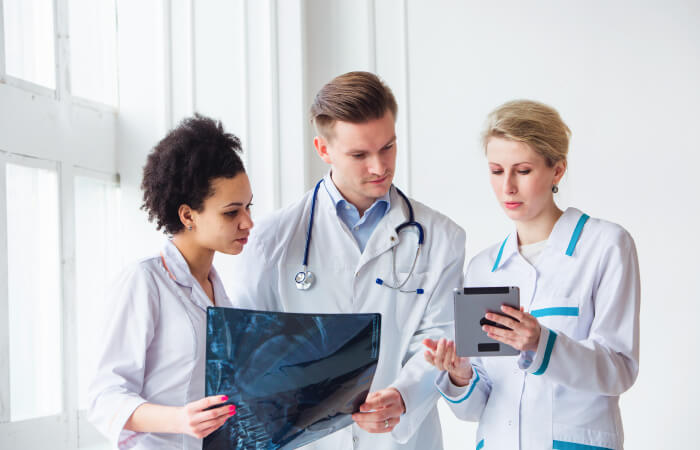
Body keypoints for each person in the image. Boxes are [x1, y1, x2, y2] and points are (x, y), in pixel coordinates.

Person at [229, 71, 466, 450]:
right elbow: (247, 352)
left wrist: (402, 396)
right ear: (323, 150)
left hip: (399, 439)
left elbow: (439, 338)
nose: (379, 166)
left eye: (388, 147)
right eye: (360, 154)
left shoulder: (442, 238)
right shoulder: (270, 240)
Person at [424, 100, 640, 450]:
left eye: (522, 171)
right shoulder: (483, 268)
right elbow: (476, 407)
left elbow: (619, 370)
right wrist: (460, 375)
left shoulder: (606, 246)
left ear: (557, 171)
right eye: (496, 171)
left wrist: (543, 343)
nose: (507, 187)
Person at [88, 115, 254, 449]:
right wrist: (181, 419)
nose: (248, 222)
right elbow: (104, 398)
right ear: (188, 215)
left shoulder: (222, 293)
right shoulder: (144, 282)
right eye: (231, 212)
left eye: (249, 207)